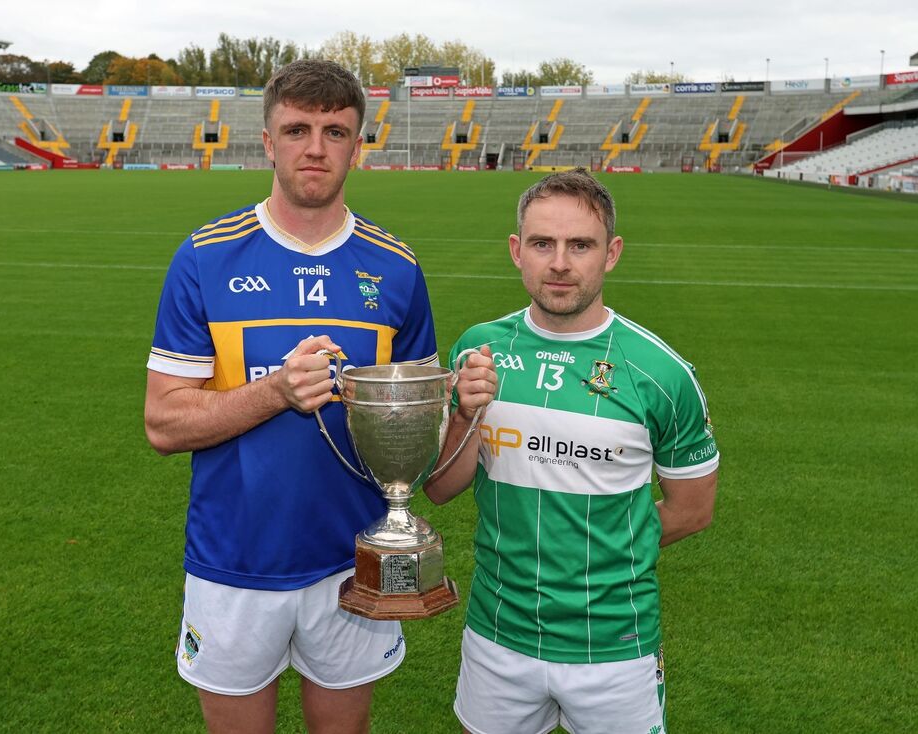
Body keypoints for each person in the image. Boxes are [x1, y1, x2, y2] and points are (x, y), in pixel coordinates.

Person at [143, 59, 489, 734]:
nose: (316, 147)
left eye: (336, 131)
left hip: (353, 561)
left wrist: (466, 410)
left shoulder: (395, 266)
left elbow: (419, 435)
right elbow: (163, 423)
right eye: (297, 129)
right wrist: (274, 390)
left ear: (358, 145)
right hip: (234, 563)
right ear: (269, 140)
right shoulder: (205, 257)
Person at [425, 168, 719, 734]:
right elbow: (439, 488)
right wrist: (465, 413)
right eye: (542, 244)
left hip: (616, 644)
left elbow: (692, 509)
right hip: (497, 635)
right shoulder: (479, 350)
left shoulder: (662, 373)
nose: (559, 263)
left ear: (611, 253)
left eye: (579, 245)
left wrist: (603, 555)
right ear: (517, 251)